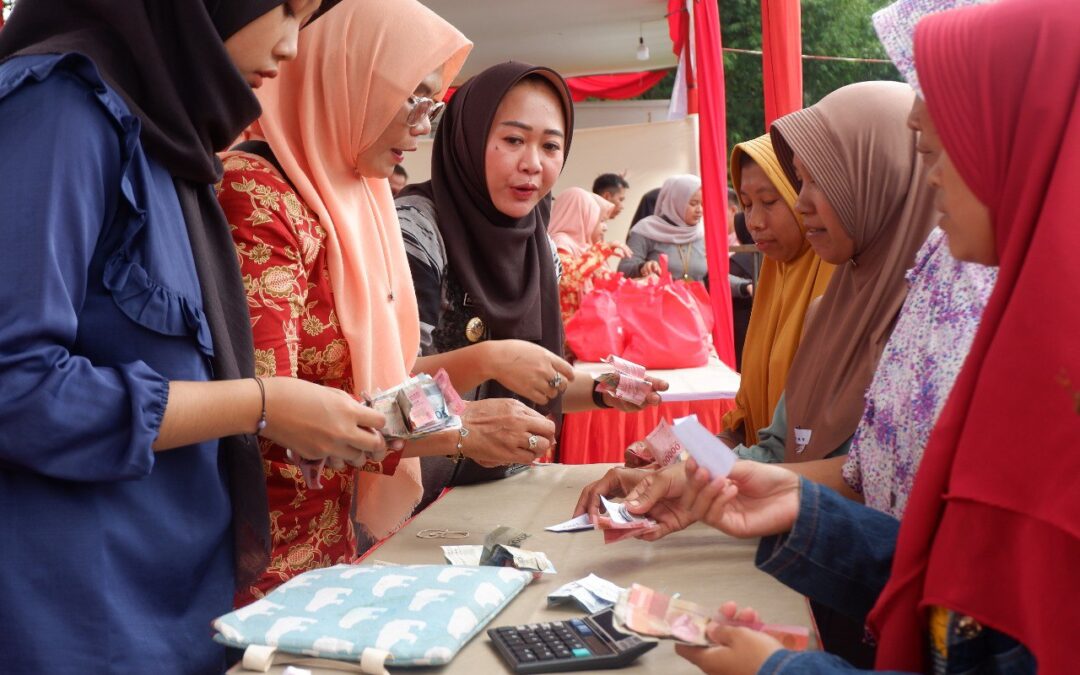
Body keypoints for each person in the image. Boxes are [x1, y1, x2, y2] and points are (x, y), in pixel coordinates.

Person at [0, 0, 353, 671]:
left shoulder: (163, 137)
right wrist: (262, 403)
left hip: (173, 605)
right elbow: (16, 384)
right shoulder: (62, 111)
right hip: (75, 620)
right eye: (286, 9)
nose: (290, 47)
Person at [217, 0, 568, 599]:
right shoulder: (260, 194)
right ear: (346, 76)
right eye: (412, 97)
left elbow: (387, 377)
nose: (423, 125)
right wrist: (454, 431)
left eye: (433, 103)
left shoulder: (359, 197)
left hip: (337, 544)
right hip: (262, 557)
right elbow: (271, 414)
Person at [397, 62, 667, 496]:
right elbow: (389, 389)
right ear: (470, 137)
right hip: (417, 498)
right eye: (513, 140)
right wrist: (488, 358)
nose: (532, 164)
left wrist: (603, 390)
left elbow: (535, 379)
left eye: (551, 146)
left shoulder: (537, 241)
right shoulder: (417, 229)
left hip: (504, 487)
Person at [721, 135, 834, 444]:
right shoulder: (774, 271)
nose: (754, 221)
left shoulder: (839, 279)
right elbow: (745, 419)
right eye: (746, 204)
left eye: (769, 201)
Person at [547, 186, 627, 324]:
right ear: (579, 215)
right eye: (599, 220)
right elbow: (568, 280)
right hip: (566, 333)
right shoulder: (560, 242)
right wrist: (600, 252)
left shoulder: (585, 247)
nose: (604, 227)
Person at [619, 174, 707, 282]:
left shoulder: (702, 234)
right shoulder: (647, 230)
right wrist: (642, 267)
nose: (699, 210)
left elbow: (715, 275)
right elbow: (623, 270)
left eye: (703, 204)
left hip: (699, 298)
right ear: (676, 202)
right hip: (659, 297)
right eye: (693, 204)